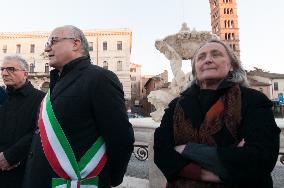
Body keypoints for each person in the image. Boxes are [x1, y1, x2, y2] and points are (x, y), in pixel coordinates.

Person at [154, 38, 280, 188]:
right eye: (201, 57)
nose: (208, 60)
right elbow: (161, 153)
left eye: (216, 54)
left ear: (232, 65)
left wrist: (186, 150)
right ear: (195, 69)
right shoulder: (176, 105)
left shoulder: (253, 100)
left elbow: (261, 157)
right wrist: (213, 171)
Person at [22, 25, 134, 188]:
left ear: (75, 44)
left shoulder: (100, 78)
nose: (47, 48)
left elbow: (121, 137)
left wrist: (110, 178)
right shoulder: (57, 83)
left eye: (52, 41)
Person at [0, 55, 45, 187]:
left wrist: (11, 156)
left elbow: (39, 131)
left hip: (22, 172)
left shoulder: (41, 99)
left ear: (25, 73)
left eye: (10, 69)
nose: (4, 73)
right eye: (2, 69)